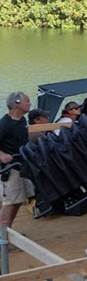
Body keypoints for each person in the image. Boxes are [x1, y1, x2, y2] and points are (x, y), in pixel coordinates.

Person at [0, 92, 33, 230]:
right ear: (17, 103)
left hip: (22, 166)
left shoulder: (22, 120)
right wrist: (1, 155)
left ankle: (8, 233)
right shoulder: (4, 124)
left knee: (18, 201)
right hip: (10, 169)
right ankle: (2, 241)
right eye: (27, 101)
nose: (29, 104)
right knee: (9, 203)